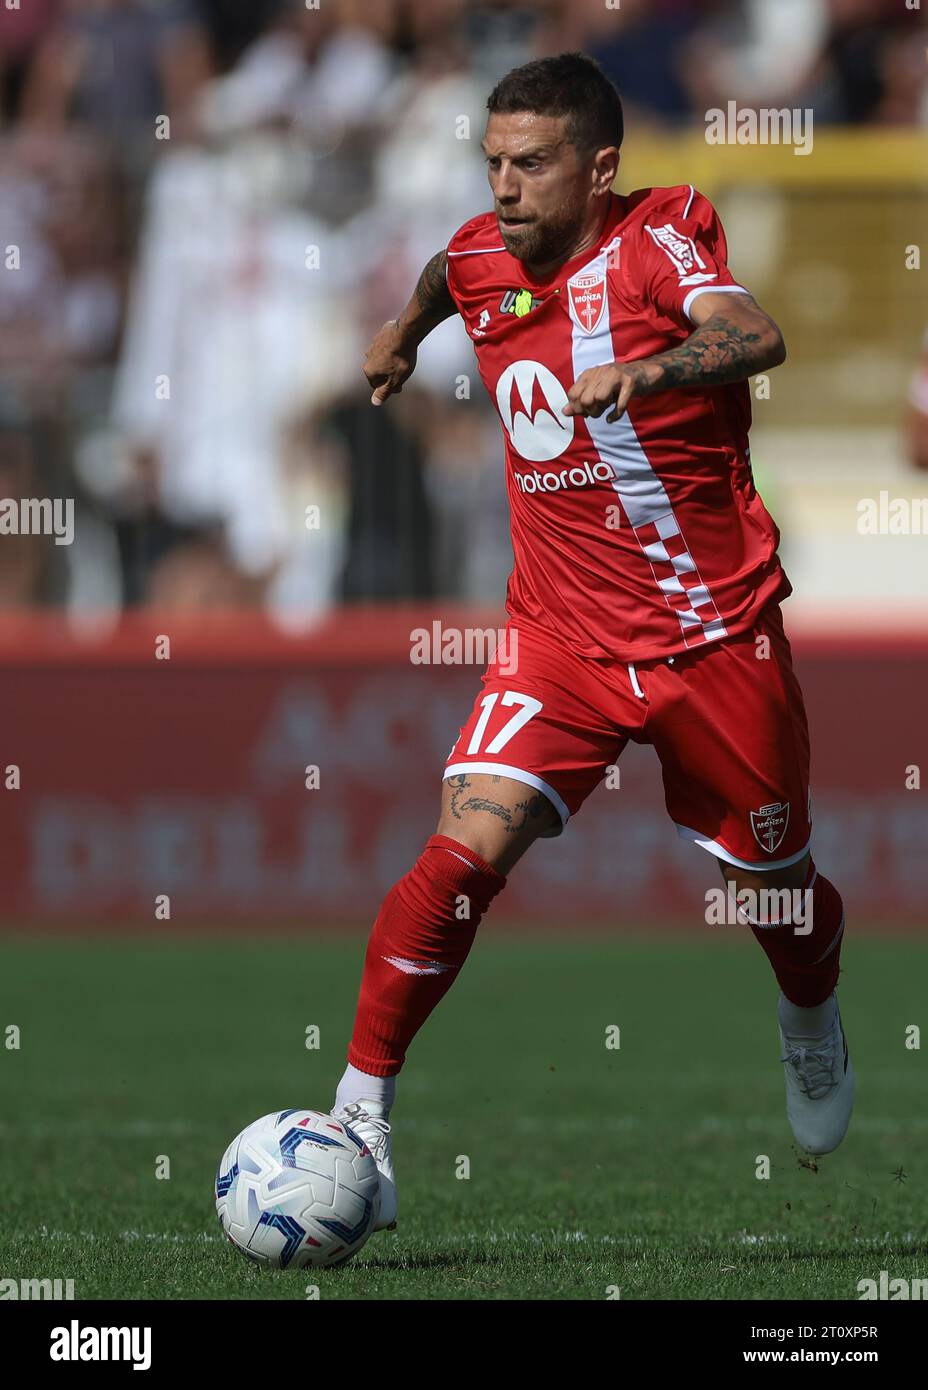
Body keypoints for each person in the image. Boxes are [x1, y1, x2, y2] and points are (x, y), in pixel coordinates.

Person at [333, 52, 854, 1234]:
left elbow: (753, 334)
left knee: (769, 893)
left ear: (599, 168)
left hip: (711, 637)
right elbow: (440, 272)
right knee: (467, 844)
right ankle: (362, 1105)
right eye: (492, 162)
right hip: (557, 636)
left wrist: (649, 370)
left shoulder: (656, 241)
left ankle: (810, 1020)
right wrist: (401, 337)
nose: (504, 187)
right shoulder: (478, 254)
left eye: (531, 164)